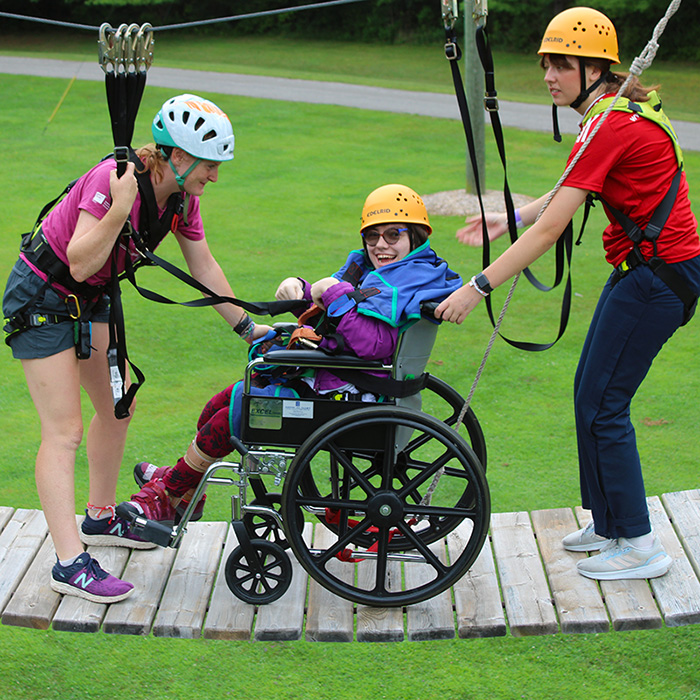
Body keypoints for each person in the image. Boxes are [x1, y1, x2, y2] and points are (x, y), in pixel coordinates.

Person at [436, 7, 700, 581]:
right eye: (547, 64)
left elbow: (553, 227)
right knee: (590, 392)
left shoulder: (610, 123)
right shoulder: (608, 115)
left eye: (561, 65)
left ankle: (639, 544)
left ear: (594, 68)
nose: (550, 75)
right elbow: (562, 194)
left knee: (605, 404)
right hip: (646, 271)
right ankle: (608, 524)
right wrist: (507, 217)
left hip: (659, 279)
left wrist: (478, 287)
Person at [2, 94, 271, 603]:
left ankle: (100, 519)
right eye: (210, 166)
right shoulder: (113, 180)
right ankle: (68, 564)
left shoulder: (181, 202)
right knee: (64, 432)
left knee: (118, 407)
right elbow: (80, 260)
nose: (214, 177)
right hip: (43, 297)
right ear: (180, 157)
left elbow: (204, 266)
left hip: (92, 299)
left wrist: (248, 328)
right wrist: (121, 208)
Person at [117, 184, 463, 528]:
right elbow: (334, 313)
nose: (380, 245)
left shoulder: (405, 282)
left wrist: (335, 293)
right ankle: (187, 480)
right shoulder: (390, 270)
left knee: (234, 413)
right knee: (220, 404)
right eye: (372, 237)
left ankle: (172, 491)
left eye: (393, 235)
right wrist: (301, 293)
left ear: (415, 236)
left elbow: (371, 344)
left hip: (354, 396)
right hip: (340, 382)